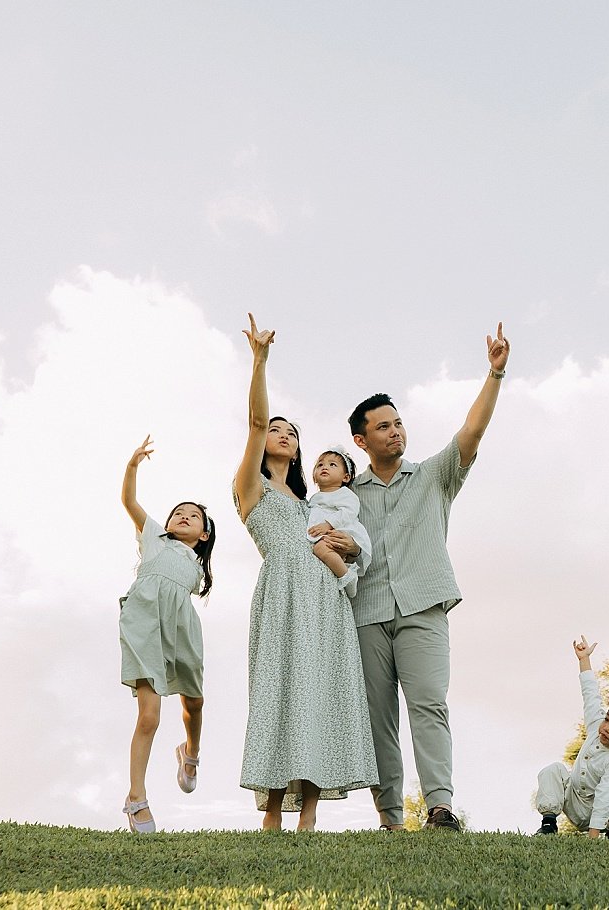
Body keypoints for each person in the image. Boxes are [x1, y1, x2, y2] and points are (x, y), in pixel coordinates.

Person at [348, 322, 510, 831]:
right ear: (361, 439)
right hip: (366, 614)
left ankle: (439, 807)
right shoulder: (347, 495)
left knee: (429, 706)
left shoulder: (436, 475)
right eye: (383, 426)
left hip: (423, 607)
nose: (396, 431)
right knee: (379, 721)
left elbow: (473, 430)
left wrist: (495, 373)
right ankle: (391, 818)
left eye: (399, 423)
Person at [234, 314, 377, 831]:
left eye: (292, 432)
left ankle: (309, 817)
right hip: (283, 594)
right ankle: (272, 813)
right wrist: (259, 360)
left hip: (327, 599)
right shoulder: (251, 486)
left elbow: (350, 543)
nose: (284, 434)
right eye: (278, 428)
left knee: (322, 692)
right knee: (278, 692)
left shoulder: (312, 500)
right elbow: (254, 424)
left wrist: (346, 551)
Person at [117, 435, 215, 834]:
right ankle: (136, 798)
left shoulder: (195, 565)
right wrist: (132, 466)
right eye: (179, 513)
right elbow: (130, 503)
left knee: (195, 702)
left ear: (204, 535)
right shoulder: (155, 537)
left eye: (194, 516)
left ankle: (190, 752)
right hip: (143, 625)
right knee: (149, 716)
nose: (185, 517)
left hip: (181, 630)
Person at [533, 636, 609, 838]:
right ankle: (548, 825)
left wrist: (593, 835)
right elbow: (591, 694)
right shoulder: (597, 726)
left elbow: (605, 795)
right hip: (573, 799)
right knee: (553, 770)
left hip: (598, 810)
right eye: (607, 719)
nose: (606, 728)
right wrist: (584, 660)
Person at [305, 447, 372, 599]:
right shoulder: (314, 498)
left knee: (321, 549)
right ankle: (342, 567)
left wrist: (328, 524)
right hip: (324, 534)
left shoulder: (345, 494)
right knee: (322, 551)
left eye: (332, 465)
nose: (325, 467)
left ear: (346, 477)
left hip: (342, 530)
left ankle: (348, 577)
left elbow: (349, 512)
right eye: (320, 465)